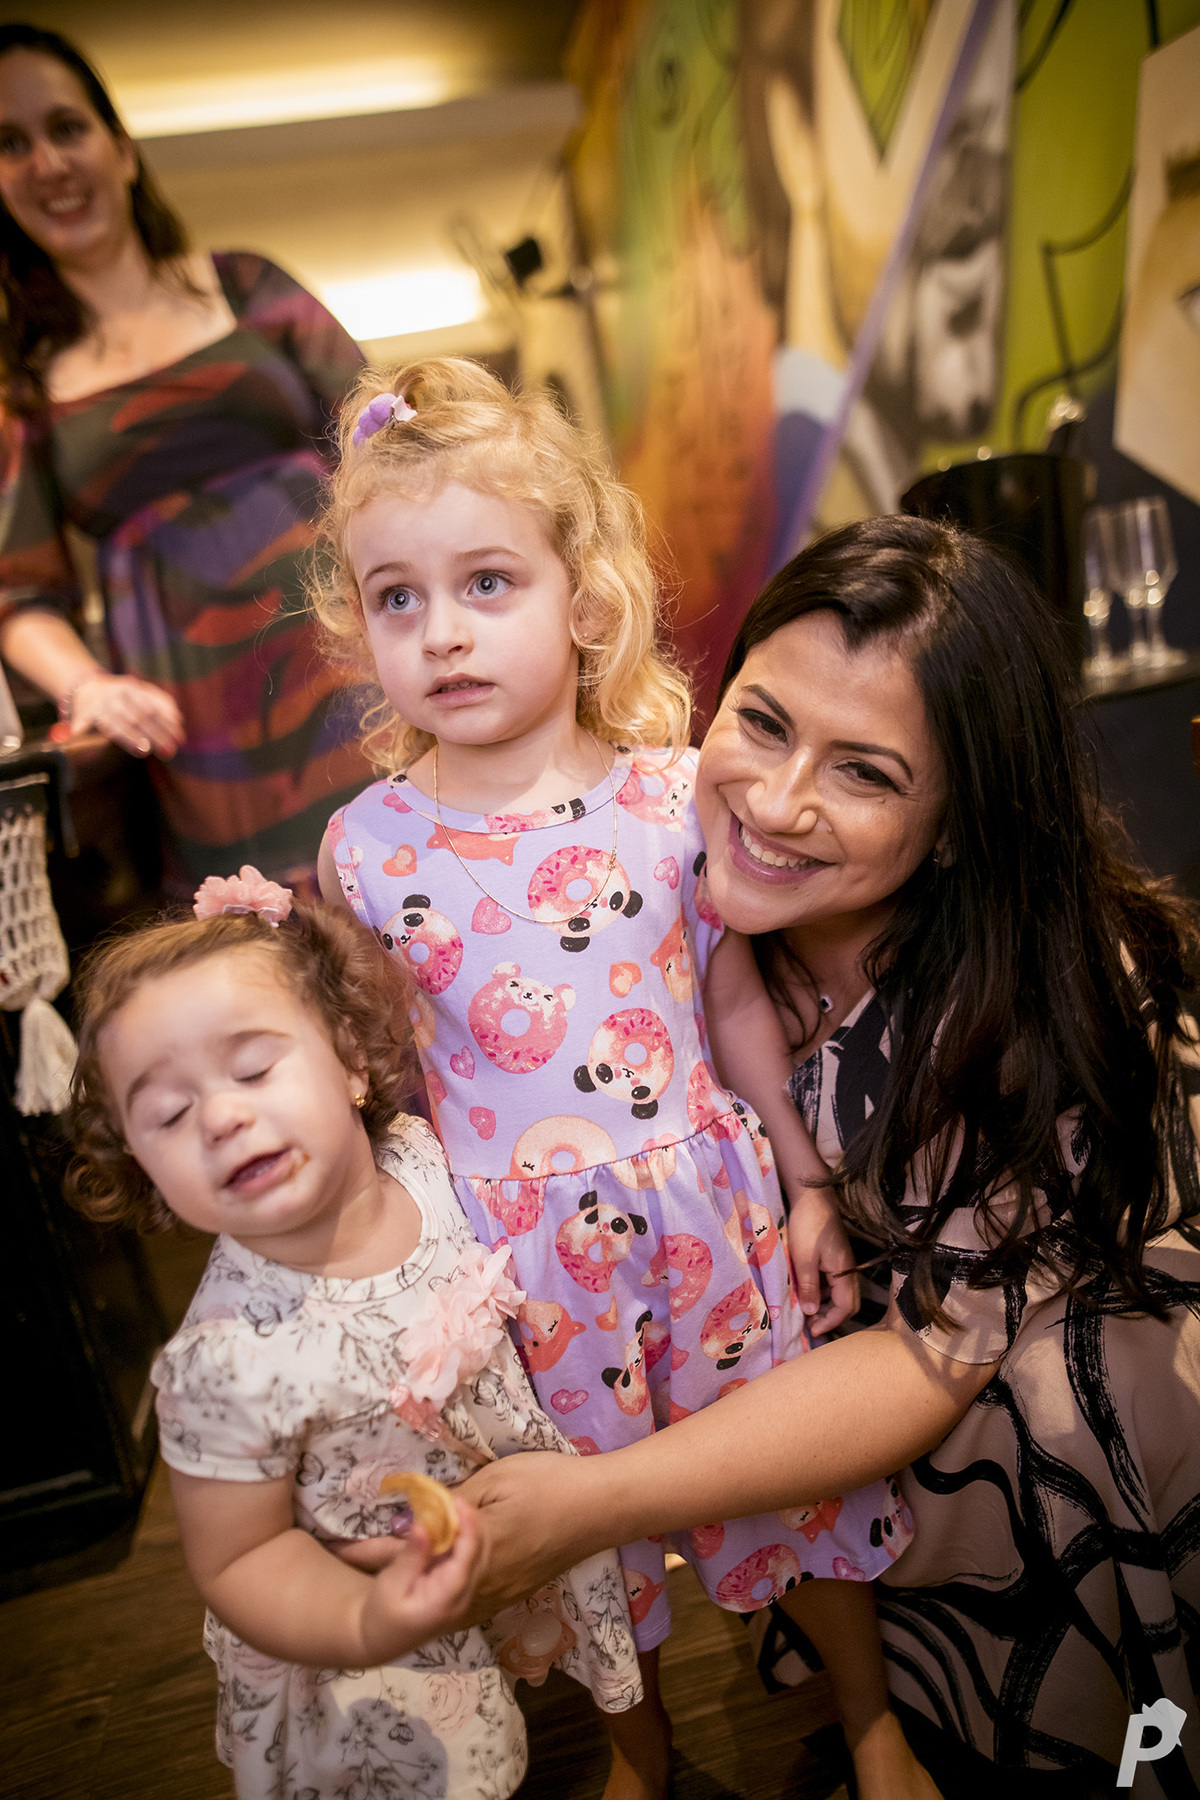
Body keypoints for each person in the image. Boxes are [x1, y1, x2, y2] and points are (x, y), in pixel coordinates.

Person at [451, 515, 1200, 1792]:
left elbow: (929, 1361)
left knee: (1063, 1391)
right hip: (824, 1417)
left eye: (866, 773)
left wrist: (591, 1503)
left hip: (1057, 1400)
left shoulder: (1019, 1013)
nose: (777, 802)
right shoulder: (651, 903)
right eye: (761, 721)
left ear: (956, 823)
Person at [312, 358, 940, 1800]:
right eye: (398, 598)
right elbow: (382, 1077)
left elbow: (730, 1000)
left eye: (486, 583)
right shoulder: (368, 847)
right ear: (360, 629)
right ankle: (641, 1759)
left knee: (791, 1489)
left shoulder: (671, 796)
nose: (443, 632)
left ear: (581, 598)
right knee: (577, 1532)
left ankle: (870, 1722)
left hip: (710, 1218)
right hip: (517, 1265)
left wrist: (806, 1182)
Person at [65, 866, 642, 1800]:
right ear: (139, 1161)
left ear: (350, 1062)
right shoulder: (224, 1363)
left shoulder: (418, 1155)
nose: (222, 1117)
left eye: (254, 1069)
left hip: (513, 1518)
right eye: (168, 1113)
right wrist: (369, 1618)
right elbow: (242, 1558)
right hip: (363, 1625)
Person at [0, 23, 370, 893]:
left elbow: (384, 436)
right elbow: (19, 601)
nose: (47, 163)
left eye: (66, 128)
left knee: (426, 894)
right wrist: (88, 686)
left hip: (355, 659)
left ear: (122, 150)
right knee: (273, 941)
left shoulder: (246, 284)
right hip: (204, 739)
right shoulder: (23, 388)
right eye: (10, 145)